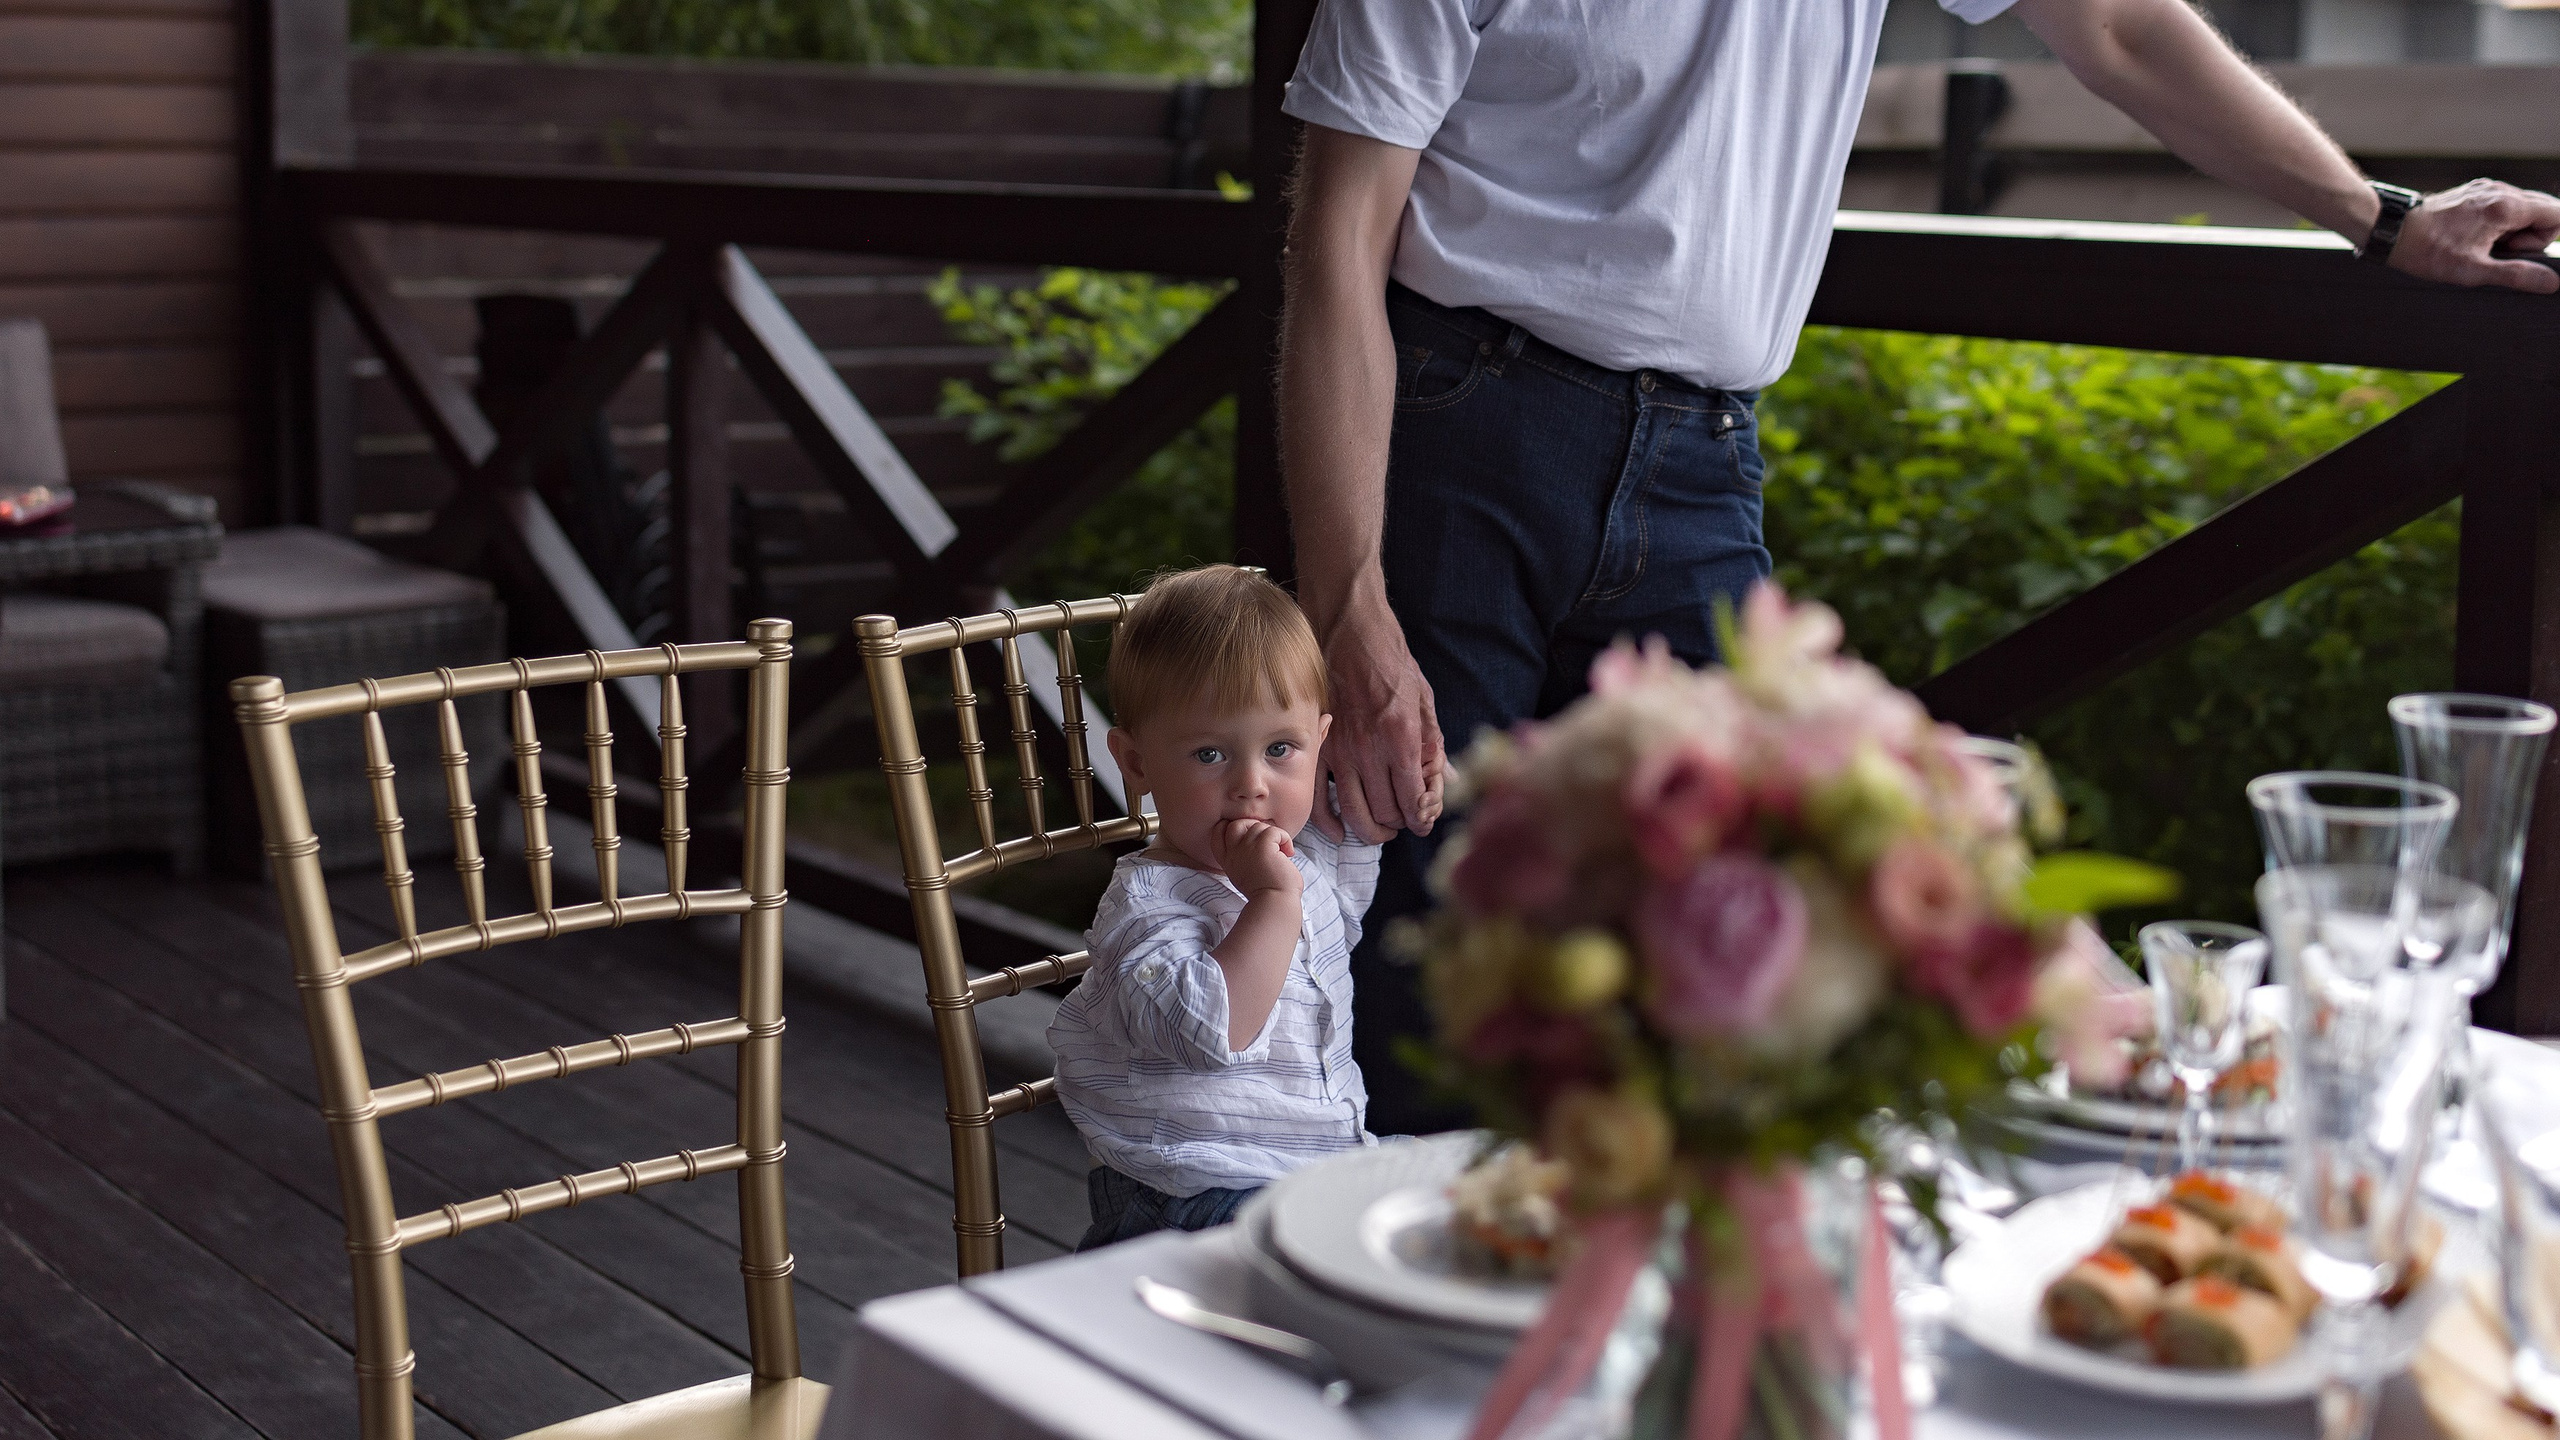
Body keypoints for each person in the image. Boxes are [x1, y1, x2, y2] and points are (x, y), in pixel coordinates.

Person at [1275, 0, 2560, 1134]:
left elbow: (2117, 28)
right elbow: (1337, 242)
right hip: (1454, 430)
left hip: (1700, 458)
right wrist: (1350, 608)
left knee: (1797, 907)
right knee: (1415, 953)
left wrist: (2379, 220)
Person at [1048, 565, 1381, 1247]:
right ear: (1136, 764)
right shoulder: (1146, 907)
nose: (1252, 786)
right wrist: (1270, 898)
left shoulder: (1303, 866)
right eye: (1209, 754)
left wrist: (1407, 792)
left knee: (1469, 1187)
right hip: (1188, 1195)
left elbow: (1348, 877)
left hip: (1310, 1169)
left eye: (1280, 749)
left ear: (1319, 742)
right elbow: (1212, 1031)